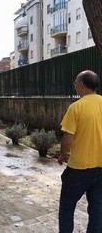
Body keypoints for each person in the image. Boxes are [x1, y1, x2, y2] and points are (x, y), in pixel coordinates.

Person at [58, 70, 102, 232]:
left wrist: (63, 154)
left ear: (82, 85)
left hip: (79, 169)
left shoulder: (76, 107)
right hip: (101, 167)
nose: (75, 86)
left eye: (76, 83)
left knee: (67, 208)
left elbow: (68, 140)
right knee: (97, 209)